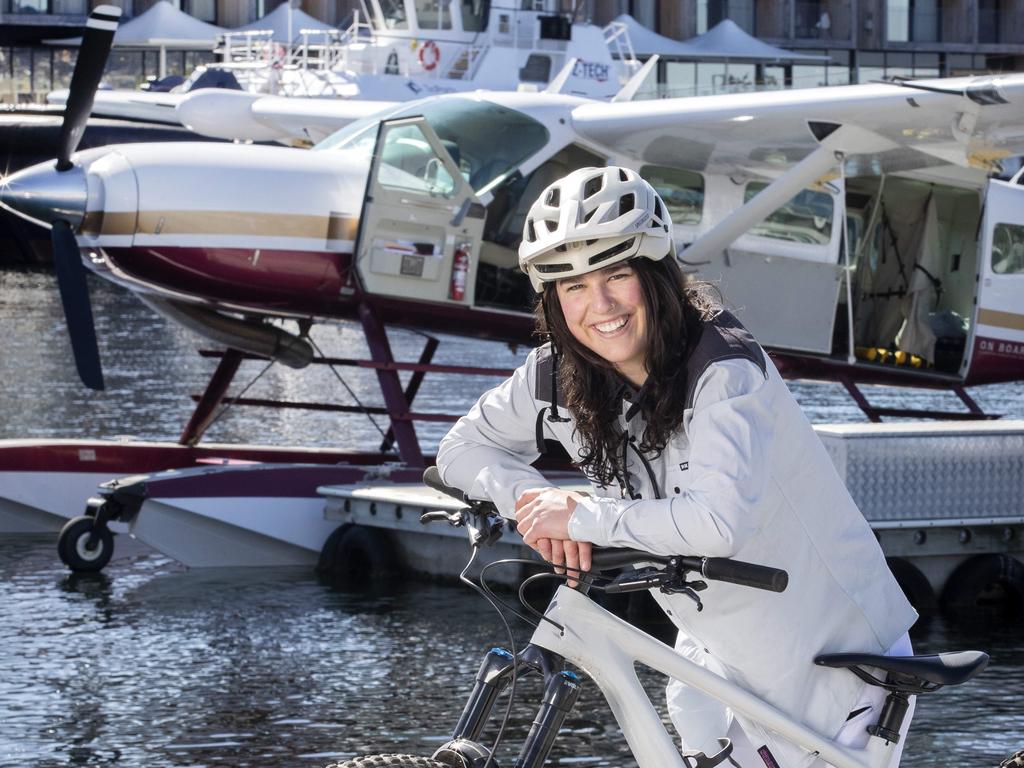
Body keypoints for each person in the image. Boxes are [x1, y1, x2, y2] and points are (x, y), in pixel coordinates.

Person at [436, 166, 918, 767]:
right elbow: (461, 449)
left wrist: (582, 514)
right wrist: (533, 506)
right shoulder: (555, 372)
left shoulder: (724, 370)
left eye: (617, 275)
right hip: (715, 650)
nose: (600, 306)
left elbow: (718, 523)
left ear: (656, 276)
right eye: (574, 286)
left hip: (827, 659)